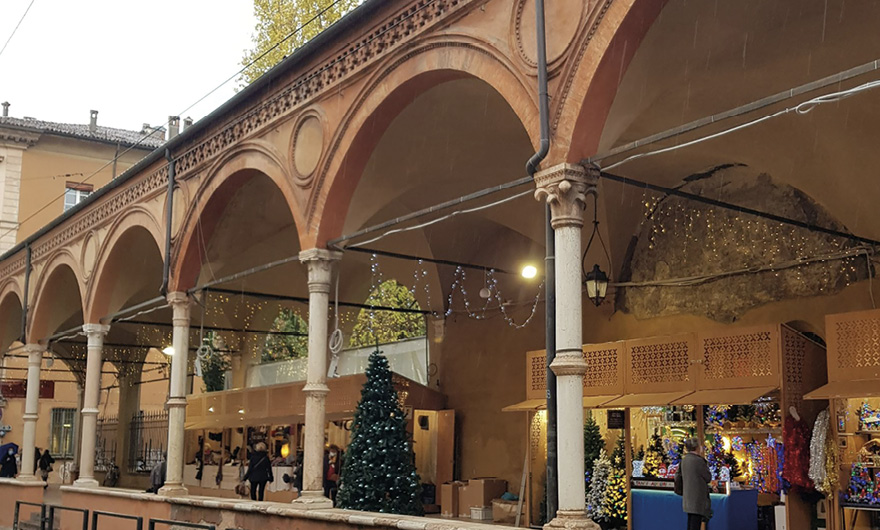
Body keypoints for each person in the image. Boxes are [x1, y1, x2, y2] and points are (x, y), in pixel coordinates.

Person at [675, 438, 712, 530]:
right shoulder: (699, 461)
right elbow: (708, 477)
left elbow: (678, 476)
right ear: (697, 447)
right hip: (698, 498)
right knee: (696, 524)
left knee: (691, 523)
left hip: (688, 497)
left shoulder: (684, 460)